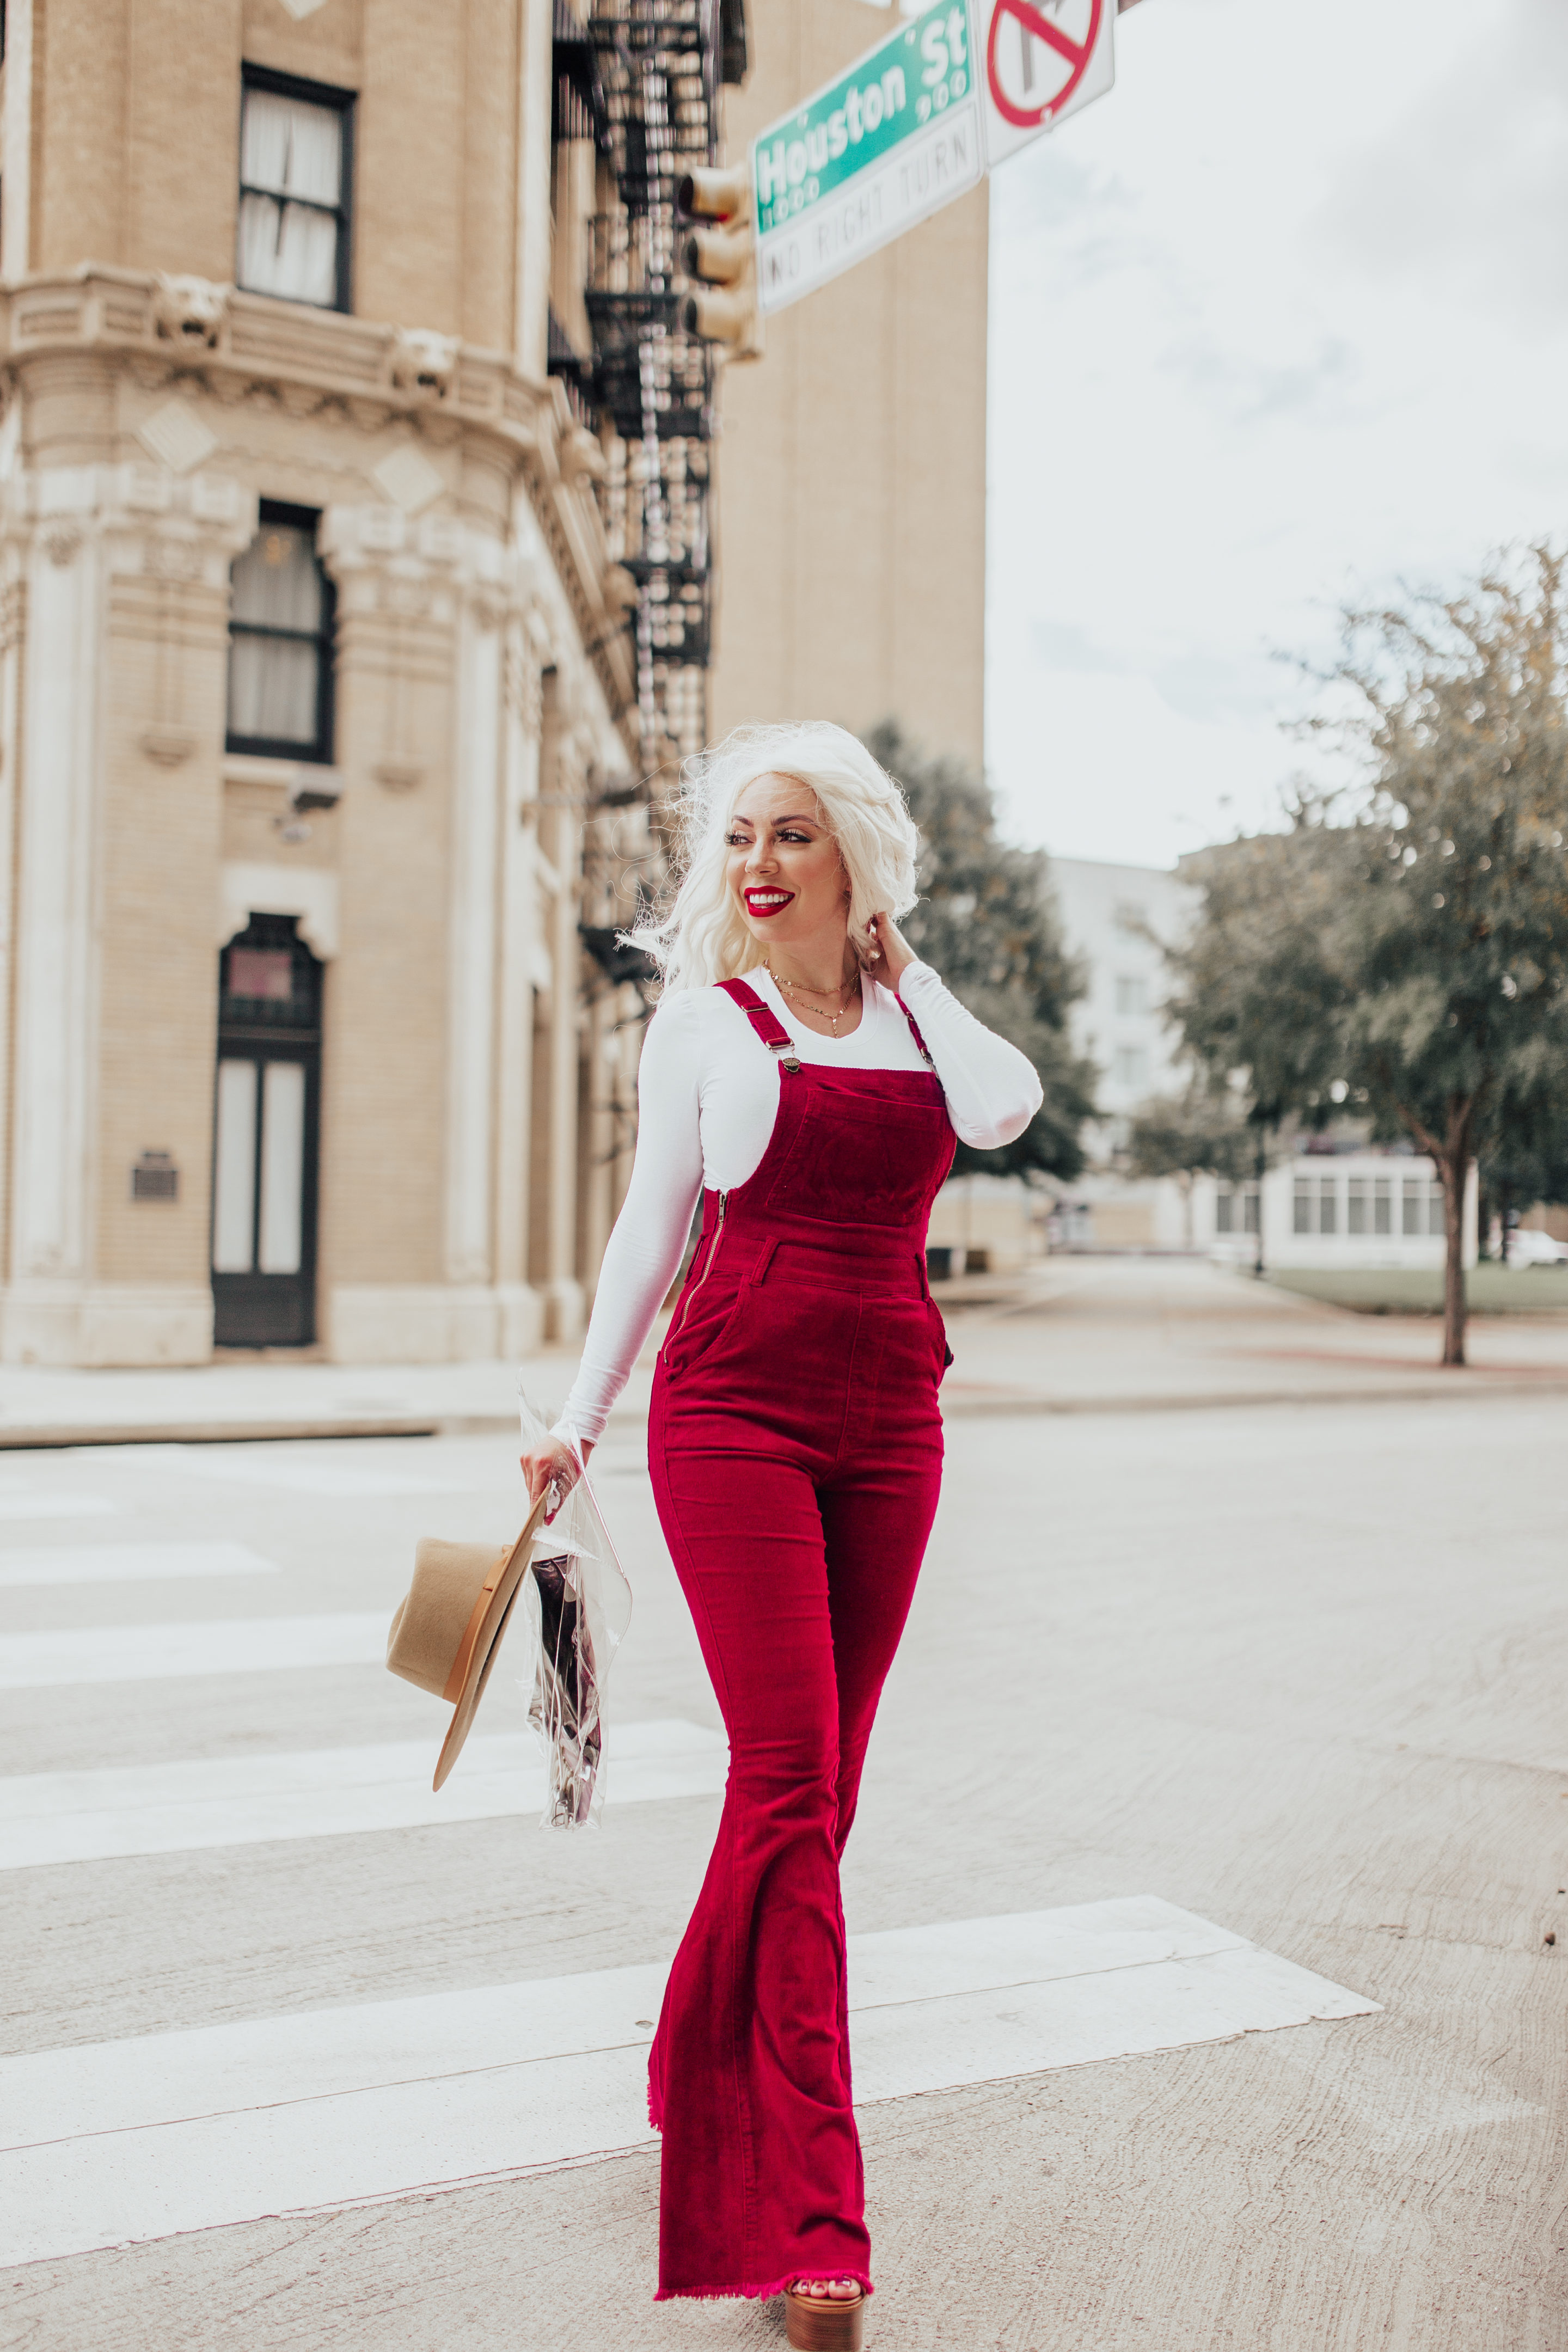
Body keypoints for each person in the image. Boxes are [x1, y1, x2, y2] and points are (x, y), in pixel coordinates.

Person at [520, 721, 1041, 2348]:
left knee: (815, 1796)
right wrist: (576, 1419)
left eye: (794, 834)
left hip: (893, 1423)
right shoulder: (705, 1022)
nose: (758, 861)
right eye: (742, 833)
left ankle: (688, 2059)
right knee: (791, 1778)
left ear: (853, 862)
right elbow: (646, 1236)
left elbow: (1010, 1110)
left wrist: (915, 968)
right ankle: (812, 2217)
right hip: (731, 1416)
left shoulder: (907, 1019)